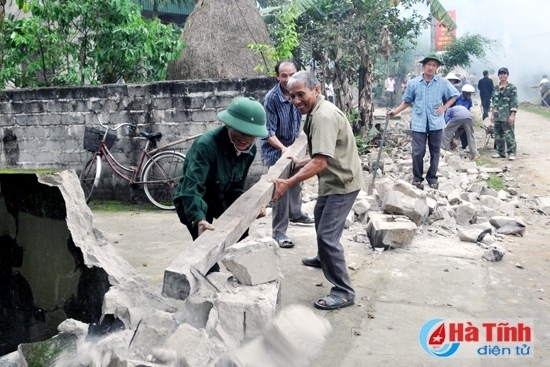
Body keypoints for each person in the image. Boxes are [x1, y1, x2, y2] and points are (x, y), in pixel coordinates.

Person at [272, 71, 363, 311]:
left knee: (327, 236)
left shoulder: (323, 116)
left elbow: (321, 162)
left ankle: (343, 291)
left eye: (300, 94)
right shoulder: (315, 112)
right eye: (292, 96)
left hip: (342, 183)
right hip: (332, 179)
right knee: (320, 219)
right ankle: (324, 259)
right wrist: (302, 163)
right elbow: (322, 153)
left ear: (316, 89)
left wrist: (288, 183)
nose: (296, 101)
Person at [173, 96, 268, 271]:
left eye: (251, 135)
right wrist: (198, 219)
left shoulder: (250, 150)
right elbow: (192, 188)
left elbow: (236, 188)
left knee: (242, 241)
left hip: (221, 197)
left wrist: (251, 210)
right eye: (241, 132)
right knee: (206, 252)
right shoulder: (206, 146)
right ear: (230, 126)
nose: (246, 139)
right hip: (195, 201)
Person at [261, 59, 314, 249]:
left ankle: (296, 213)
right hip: (275, 150)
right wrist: (284, 149)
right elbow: (267, 132)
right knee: (281, 189)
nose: (288, 78)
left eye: (292, 74)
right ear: (277, 77)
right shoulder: (272, 99)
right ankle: (279, 231)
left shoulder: (298, 93)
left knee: (297, 181)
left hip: (292, 146)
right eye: (284, 75)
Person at [388, 54, 459, 190]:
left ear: (437, 68)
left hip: (436, 122)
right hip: (419, 123)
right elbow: (407, 101)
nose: (430, 67)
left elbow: (454, 95)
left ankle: (432, 177)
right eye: (428, 65)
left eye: (434, 65)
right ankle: (417, 178)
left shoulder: (442, 83)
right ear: (424, 66)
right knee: (417, 152)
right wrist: (395, 112)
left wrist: (444, 107)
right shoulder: (414, 83)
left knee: (435, 152)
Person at [490, 67, 518, 161]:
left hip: (507, 115)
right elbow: (493, 102)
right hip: (497, 116)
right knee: (498, 136)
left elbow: (514, 102)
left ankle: (512, 153)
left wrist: (512, 115)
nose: (503, 75)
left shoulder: (512, 88)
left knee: (509, 135)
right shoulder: (495, 88)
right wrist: (492, 114)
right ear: (498, 76)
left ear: (507, 75)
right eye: (501, 74)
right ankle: (500, 152)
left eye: (504, 73)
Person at [454, 84, 475, 149]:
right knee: (457, 130)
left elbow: (469, 107)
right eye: (468, 93)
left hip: (465, 116)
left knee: (466, 130)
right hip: (457, 116)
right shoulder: (458, 98)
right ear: (464, 93)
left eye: (470, 94)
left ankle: (465, 144)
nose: (469, 95)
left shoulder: (469, 100)